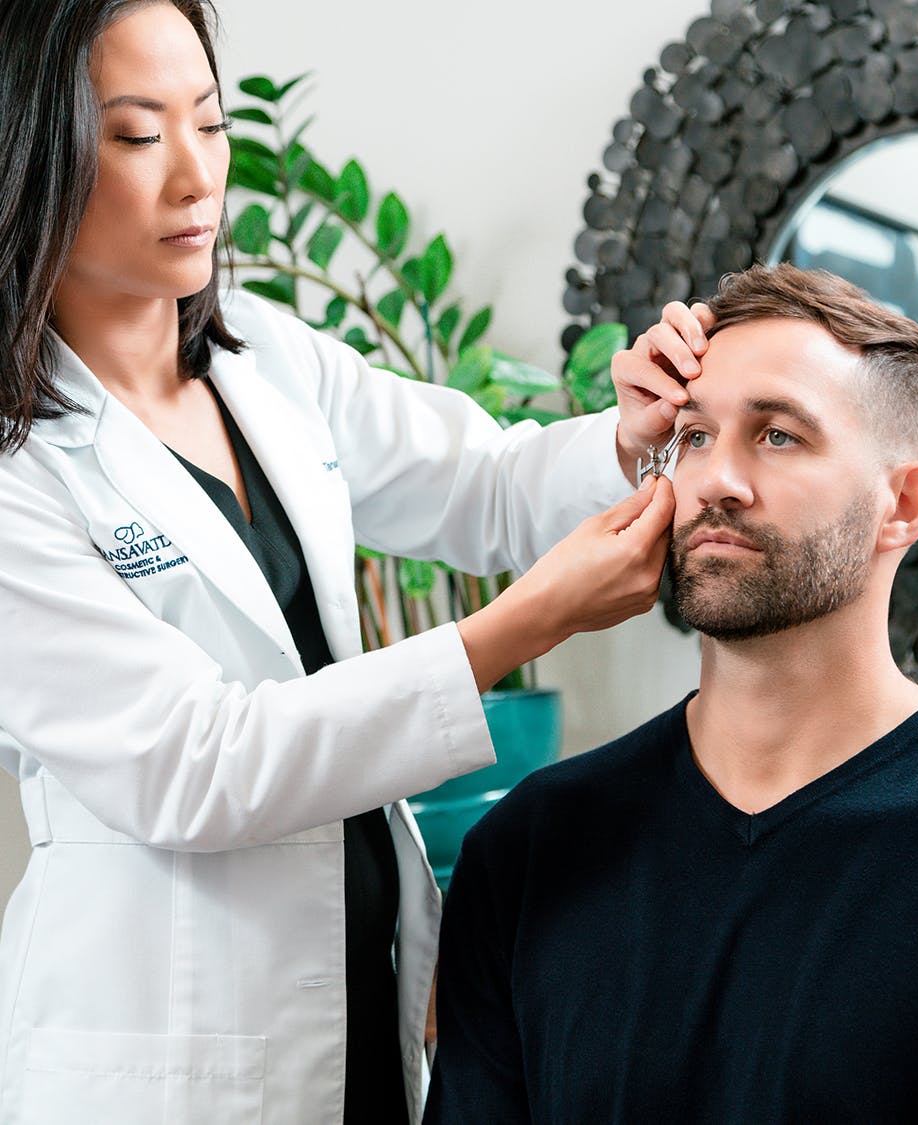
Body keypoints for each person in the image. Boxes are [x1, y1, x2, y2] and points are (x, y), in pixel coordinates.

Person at [0, 1, 717, 1122]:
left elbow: (479, 486)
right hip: (161, 1062)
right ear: (30, 155)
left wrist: (628, 436)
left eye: (211, 121)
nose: (197, 177)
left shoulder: (263, 352)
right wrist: (520, 629)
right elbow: (197, 765)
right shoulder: (19, 471)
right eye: (137, 137)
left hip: (353, 1015)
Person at [424, 262, 918, 1124]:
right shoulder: (531, 848)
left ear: (901, 503)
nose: (714, 479)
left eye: (777, 435)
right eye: (692, 437)